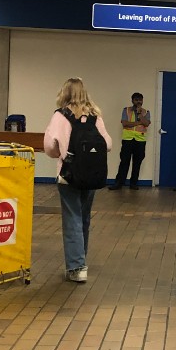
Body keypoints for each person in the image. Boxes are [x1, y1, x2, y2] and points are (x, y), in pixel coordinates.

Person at [43, 77, 112, 283]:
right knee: (84, 217)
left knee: (71, 217)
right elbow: (107, 144)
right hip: (91, 174)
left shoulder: (61, 116)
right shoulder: (95, 116)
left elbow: (49, 146)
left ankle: (77, 266)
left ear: (64, 93)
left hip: (69, 175)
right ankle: (81, 258)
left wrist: (61, 154)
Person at [108, 92, 150, 191]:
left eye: (140, 100)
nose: (138, 102)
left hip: (140, 140)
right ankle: (119, 183)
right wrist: (139, 122)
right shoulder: (126, 110)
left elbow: (146, 123)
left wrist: (140, 114)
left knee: (137, 162)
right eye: (136, 100)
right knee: (124, 162)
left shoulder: (145, 112)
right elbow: (125, 124)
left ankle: (133, 183)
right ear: (132, 101)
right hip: (128, 140)